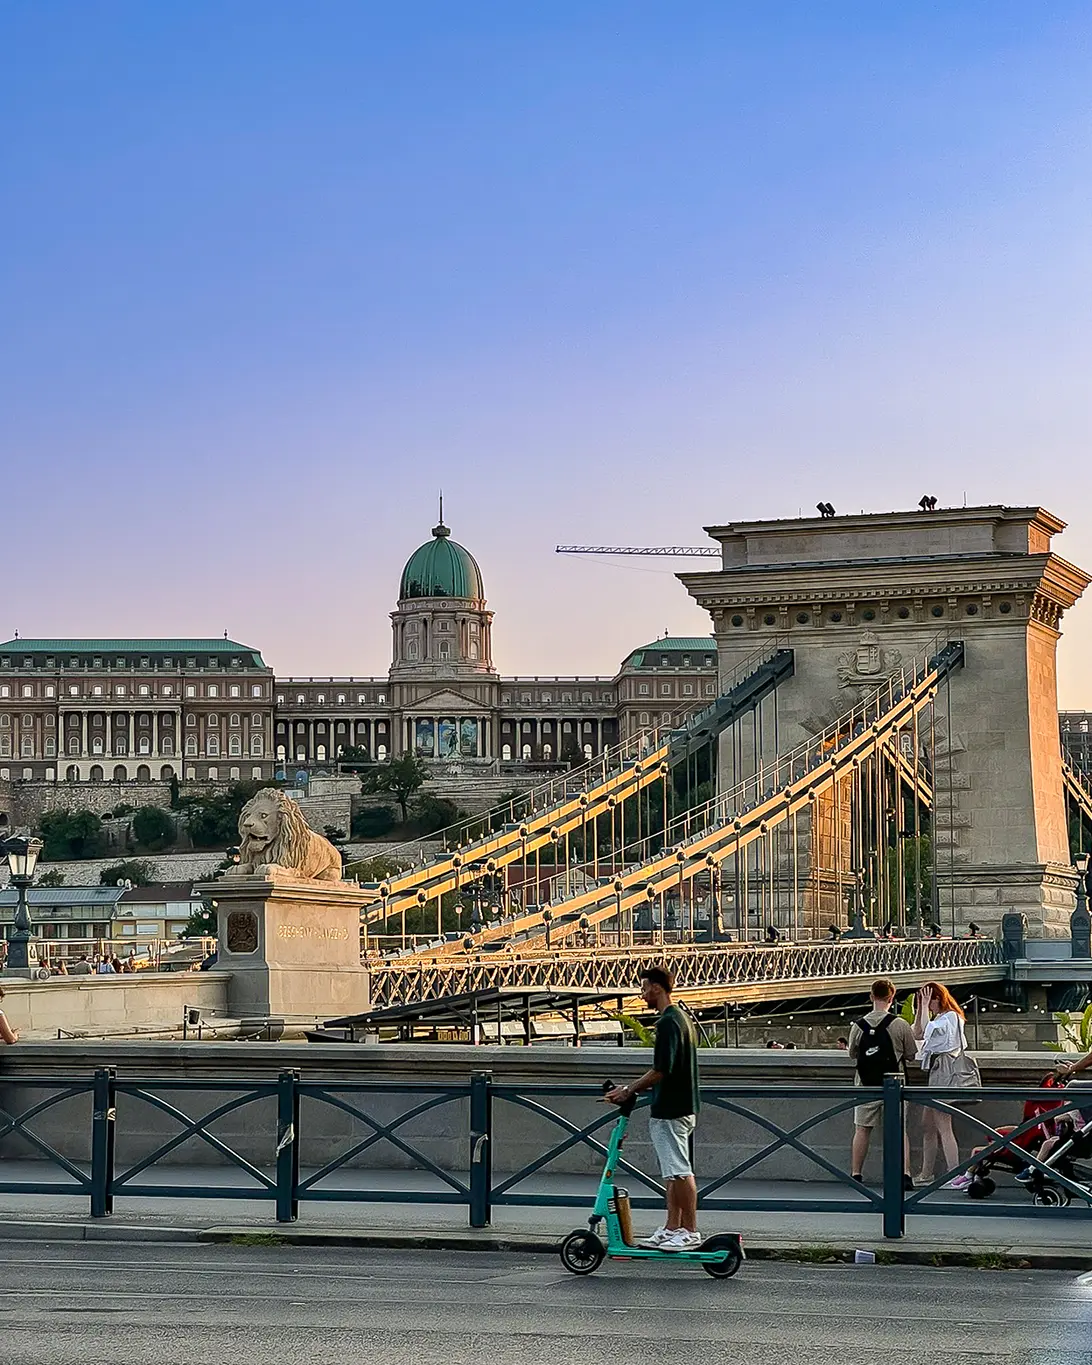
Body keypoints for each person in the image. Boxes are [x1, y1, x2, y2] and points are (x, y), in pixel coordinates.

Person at [606, 966, 701, 1251]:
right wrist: (632, 1087)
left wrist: (629, 1089)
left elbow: (661, 1070)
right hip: (680, 1105)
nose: (642, 993)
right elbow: (669, 1071)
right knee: (672, 1172)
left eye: (644, 987)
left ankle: (690, 1230)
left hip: (671, 1109)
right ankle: (672, 1227)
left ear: (657, 988)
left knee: (681, 1171)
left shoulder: (668, 1023)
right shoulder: (682, 1018)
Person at [846, 978, 916, 1185]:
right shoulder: (900, 1024)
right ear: (891, 997)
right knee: (899, 1130)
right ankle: (905, 1174)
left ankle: (856, 1174)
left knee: (861, 1129)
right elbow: (911, 1054)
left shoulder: (858, 1025)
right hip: (894, 1083)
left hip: (866, 1083)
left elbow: (852, 1054)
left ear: (871, 996)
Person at [912, 981, 980, 1190]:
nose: (926, 1005)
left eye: (927, 1000)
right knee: (928, 1125)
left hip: (944, 1071)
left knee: (943, 1125)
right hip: (938, 1071)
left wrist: (923, 1007)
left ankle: (955, 1174)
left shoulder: (949, 1017)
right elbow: (917, 1032)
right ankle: (927, 1173)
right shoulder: (944, 1017)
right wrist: (921, 1009)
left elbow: (923, 1032)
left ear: (937, 998)